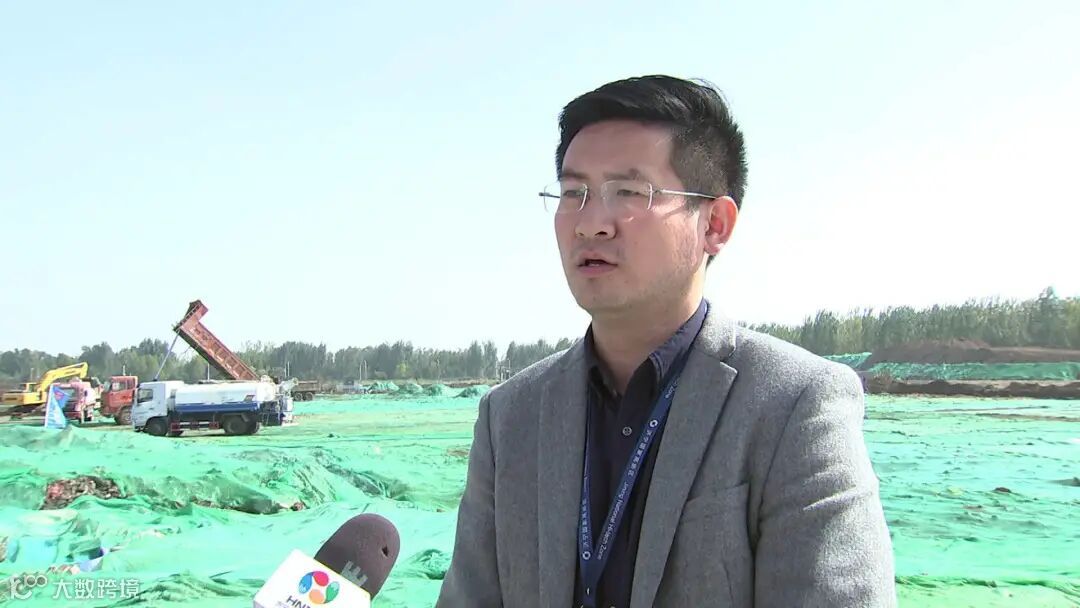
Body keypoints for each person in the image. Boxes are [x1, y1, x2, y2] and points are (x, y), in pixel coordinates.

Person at [437, 75, 895, 608]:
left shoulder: (794, 405)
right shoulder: (510, 417)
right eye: (574, 193)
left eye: (629, 193)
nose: (590, 224)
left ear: (715, 225)